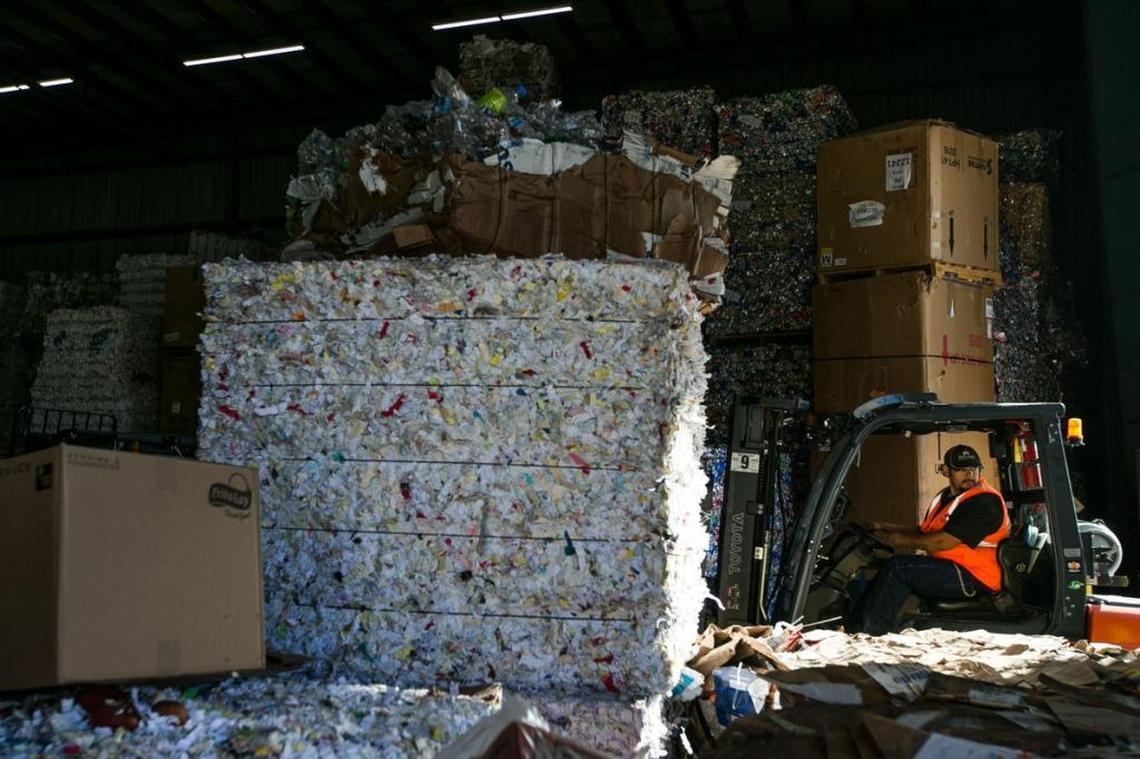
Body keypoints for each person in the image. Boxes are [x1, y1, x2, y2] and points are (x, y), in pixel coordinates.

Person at [854, 444, 1011, 635]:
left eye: (973, 468)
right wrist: (884, 527)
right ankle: (856, 626)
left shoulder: (984, 501)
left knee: (899, 569)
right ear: (946, 470)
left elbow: (940, 542)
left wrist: (900, 540)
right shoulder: (946, 498)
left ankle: (869, 635)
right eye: (961, 469)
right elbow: (925, 530)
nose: (969, 473)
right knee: (891, 567)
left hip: (975, 577)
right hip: (954, 567)